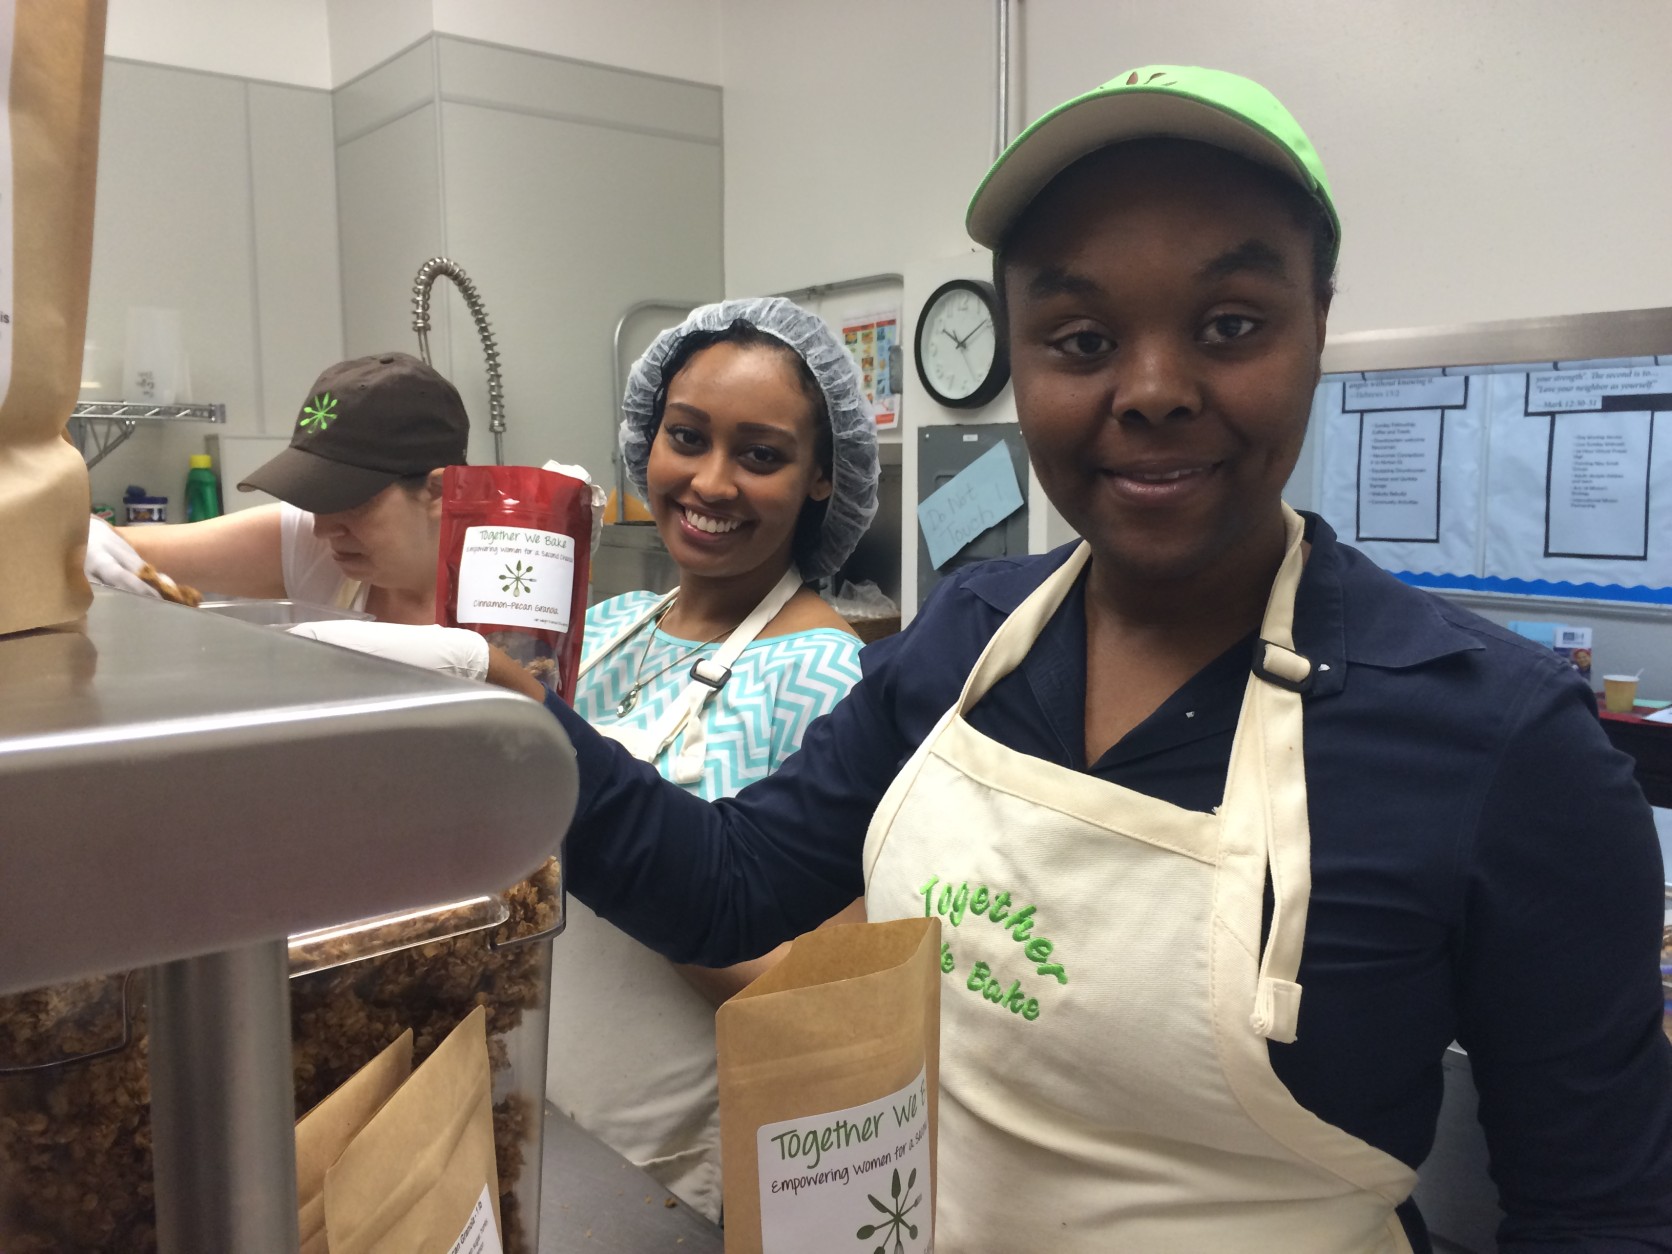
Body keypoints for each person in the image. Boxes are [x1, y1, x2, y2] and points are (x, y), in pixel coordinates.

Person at [471, 68, 1672, 1250]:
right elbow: (728, 886)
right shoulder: (966, 640)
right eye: (1083, 338)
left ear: (1317, 328)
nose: (1151, 390)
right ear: (1025, 357)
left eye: (1229, 325)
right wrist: (505, 711)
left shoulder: (1501, 743)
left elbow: (1599, 1214)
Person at [546, 298, 879, 1220]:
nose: (711, 482)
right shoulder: (603, 629)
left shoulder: (827, 674)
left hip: (680, 1163)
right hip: (544, 1099)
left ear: (821, 478)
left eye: (760, 455)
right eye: (686, 438)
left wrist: (613, 838)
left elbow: (813, 994)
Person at [82, 351, 467, 625]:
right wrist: (87, 538)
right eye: (315, 498)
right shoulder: (310, 546)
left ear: (438, 491)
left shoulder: (499, 577)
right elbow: (110, 546)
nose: (323, 528)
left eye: (350, 500)